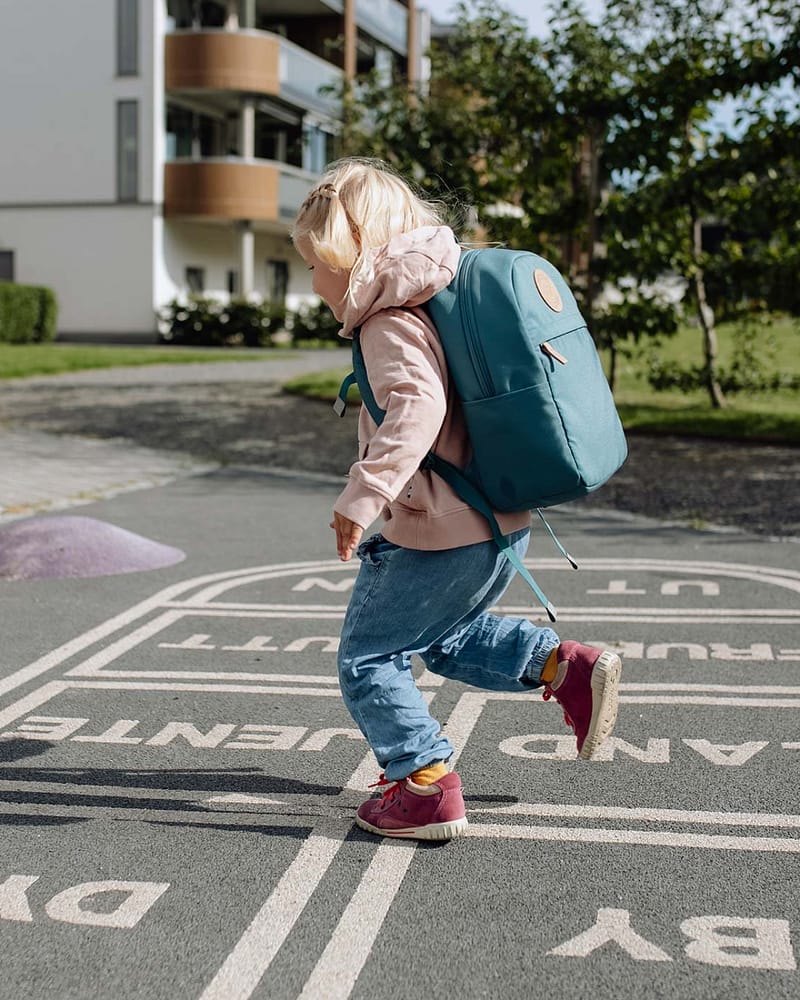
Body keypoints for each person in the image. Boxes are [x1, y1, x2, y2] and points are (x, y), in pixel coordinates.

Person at [291, 157, 621, 841]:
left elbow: (416, 404)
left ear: (351, 259)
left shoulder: (388, 321)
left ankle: (423, 783)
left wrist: (361, 495)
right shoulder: (432, 293)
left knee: (369, 658)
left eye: (316, 263)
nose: (313, 280)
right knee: (441, 640)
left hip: (440, 529)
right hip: (493, 520)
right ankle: (564, 666)